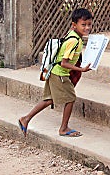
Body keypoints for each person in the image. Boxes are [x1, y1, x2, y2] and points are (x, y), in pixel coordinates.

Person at [18, 8, 93, 137]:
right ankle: (63, 128)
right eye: (83, 25)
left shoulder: (72, 35)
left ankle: (25, 119)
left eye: (89, 24)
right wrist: (82, 69)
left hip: (54, 71)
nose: (87, 28)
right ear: (74, 25)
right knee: (70, 98)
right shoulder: (74, 41)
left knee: (49, 99)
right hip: (60, 73)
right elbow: (64, 63)